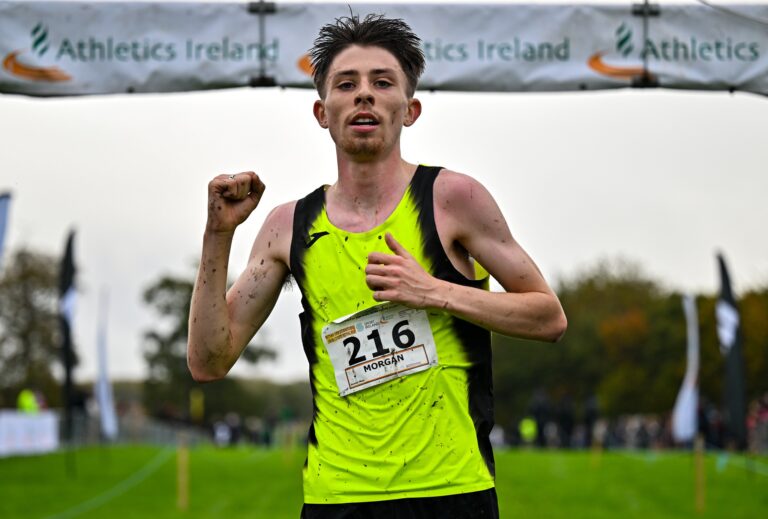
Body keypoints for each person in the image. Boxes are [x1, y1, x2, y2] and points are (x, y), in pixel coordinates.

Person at [188, 13, 567, 518]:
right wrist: (218, 236)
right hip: (336, 497)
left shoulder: (453, 199)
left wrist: (433, 292)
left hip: (451, 491)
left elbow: (548, 317)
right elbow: (209, 361)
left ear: (410, 110)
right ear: (322, 112)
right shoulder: (288, 226)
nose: (364, 94)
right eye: (347, 84)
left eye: (382, 82)